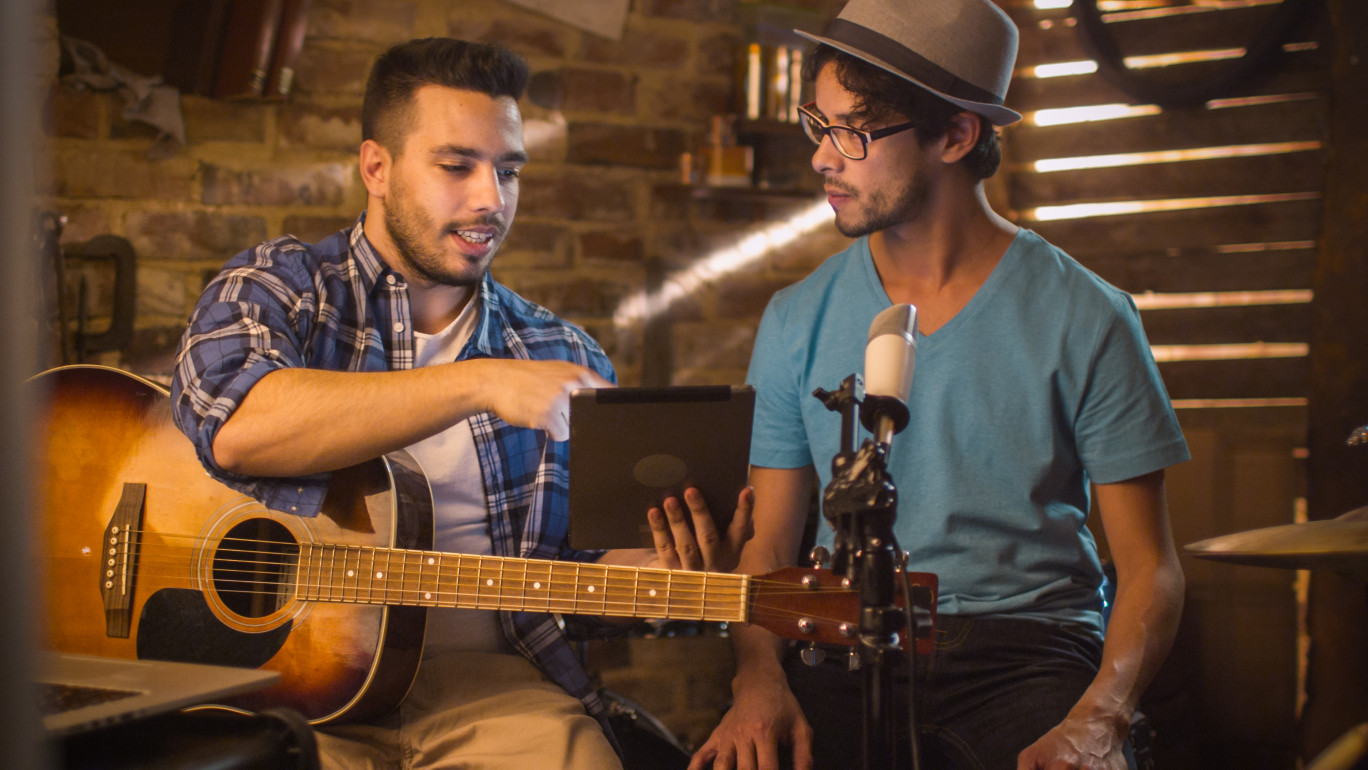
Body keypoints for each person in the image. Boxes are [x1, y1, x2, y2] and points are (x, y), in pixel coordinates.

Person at [170, 37, 752, 770]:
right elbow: (239, 425)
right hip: (283, 686)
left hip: (492, 689)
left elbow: (584, 573)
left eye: (507, 171)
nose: (490, 199)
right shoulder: (279, 288)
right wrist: (477, 382)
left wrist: (674, 573)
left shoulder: (559, 350)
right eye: (457, 166)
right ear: (376, 168)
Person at [684, 1, 1190, 768]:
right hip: (842, 640)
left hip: (1027, 652)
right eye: (818, 126)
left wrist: (1102, 718)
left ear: (956, 135)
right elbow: (770, 549)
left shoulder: (1089, 316)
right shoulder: (795, 319)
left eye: (853, 132)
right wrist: (757, 681)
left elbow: (1151, 566)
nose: (824, 158)